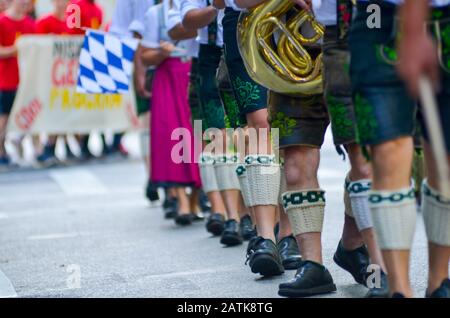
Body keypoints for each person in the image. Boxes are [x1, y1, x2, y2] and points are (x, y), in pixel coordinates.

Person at [349, 0, 450, 297]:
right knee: (388, 152)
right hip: (376, 16)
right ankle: (399, 289)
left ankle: (439, 282)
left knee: (445, 160)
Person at [309, 0, 388, 297]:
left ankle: (352, 245)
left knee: (391, 161)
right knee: (364, 161)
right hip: (341, 39)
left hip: (398, 31)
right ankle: (379, 270)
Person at [180, 0, 245, 245]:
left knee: (250, 136)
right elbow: (185, 21)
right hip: (209, 55)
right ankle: (228, 214)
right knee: (217, 138)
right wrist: (216, 7)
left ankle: (246, 212)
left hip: (249, 45)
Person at [140, 0, 202, 226]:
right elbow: (144, 55)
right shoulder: (155, 14)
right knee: (170, 137)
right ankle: (182, 201)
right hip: (167, 75)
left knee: (198, 135)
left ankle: (195, 199)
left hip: (194, 71)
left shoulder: (199, 5)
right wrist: (160, 53)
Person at [35, 0, 78, 166]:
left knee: (64, 112)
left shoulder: (72, 23)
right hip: (51, 77)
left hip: (67, 77)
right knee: (54, 112)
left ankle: (55, 147)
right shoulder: (44, 22)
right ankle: (48, 146)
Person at [0, 0, 35, 167]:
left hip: (26, 80)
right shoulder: (2, 22)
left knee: (28, 116)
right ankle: (1, 151)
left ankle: (20, 146)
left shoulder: (30, 23)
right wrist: (16, 49)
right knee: (3, 119)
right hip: (5, 79)